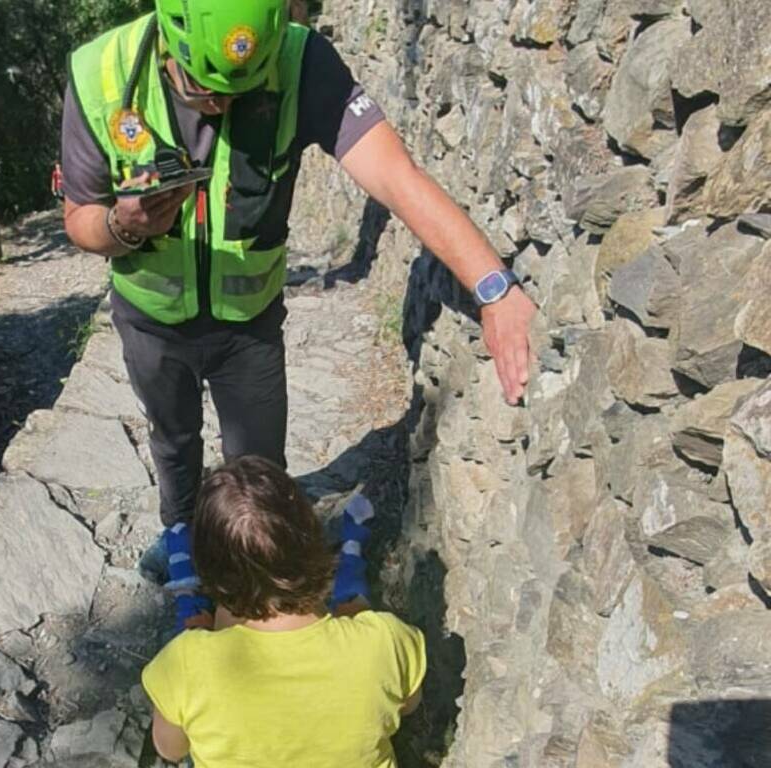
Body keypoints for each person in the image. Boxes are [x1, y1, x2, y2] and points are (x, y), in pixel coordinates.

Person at [62, 1, 536, 616]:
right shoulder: (100, 71)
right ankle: (181, 534)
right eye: (202, 90)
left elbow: (395, 176)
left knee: (261, 471)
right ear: (167, 44)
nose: (220, 107)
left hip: (249, 324)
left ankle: (257, 591)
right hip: (150, 317)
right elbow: (79, 220)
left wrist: (492, 286)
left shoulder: (301, 60)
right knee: (173, 438)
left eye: (240, 90)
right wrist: (122, 227)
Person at [141, 456, 426, 767]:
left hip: (202, 653)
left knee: (192, 631)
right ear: (311, 538)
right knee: (353, 607)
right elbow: (410, 705)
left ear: (209, 571)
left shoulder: (185, 662)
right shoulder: (384, 640)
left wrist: (199, 641)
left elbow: (170, 749)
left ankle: (187, 586)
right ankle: (351, 557)